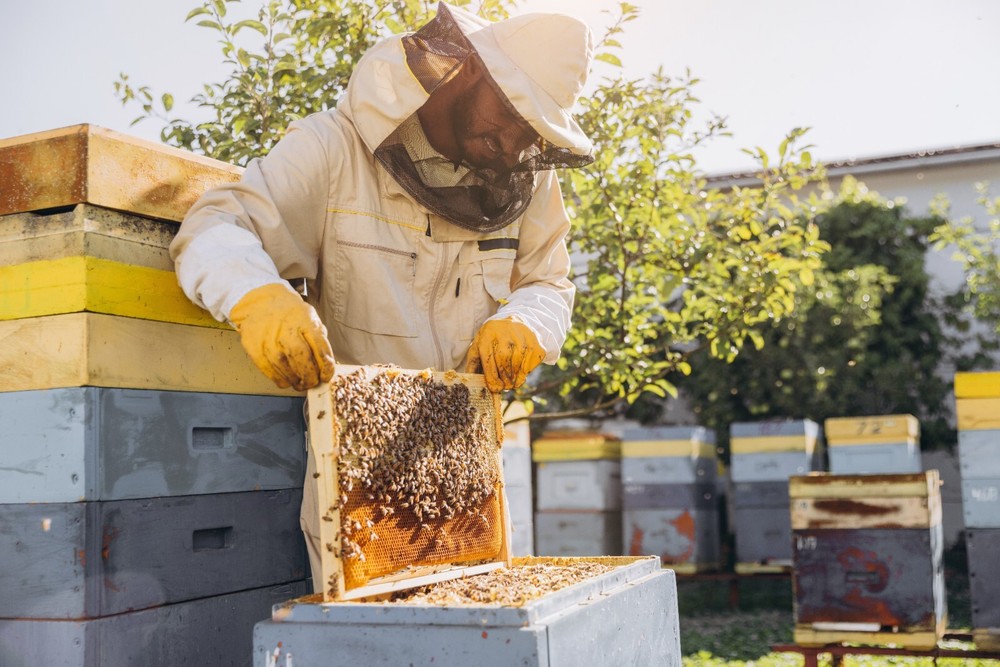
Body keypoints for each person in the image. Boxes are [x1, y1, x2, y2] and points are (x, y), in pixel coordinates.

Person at [170, 2, 595, 589]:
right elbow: (216, 226)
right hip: (358, 496)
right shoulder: (333, 149)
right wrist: (258, 298)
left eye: (536, 127)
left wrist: (528, 320)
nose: (515, 139)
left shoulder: (528, 181)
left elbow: (549, 280)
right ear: (470, 70)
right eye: (513, 110)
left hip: (468, 484)